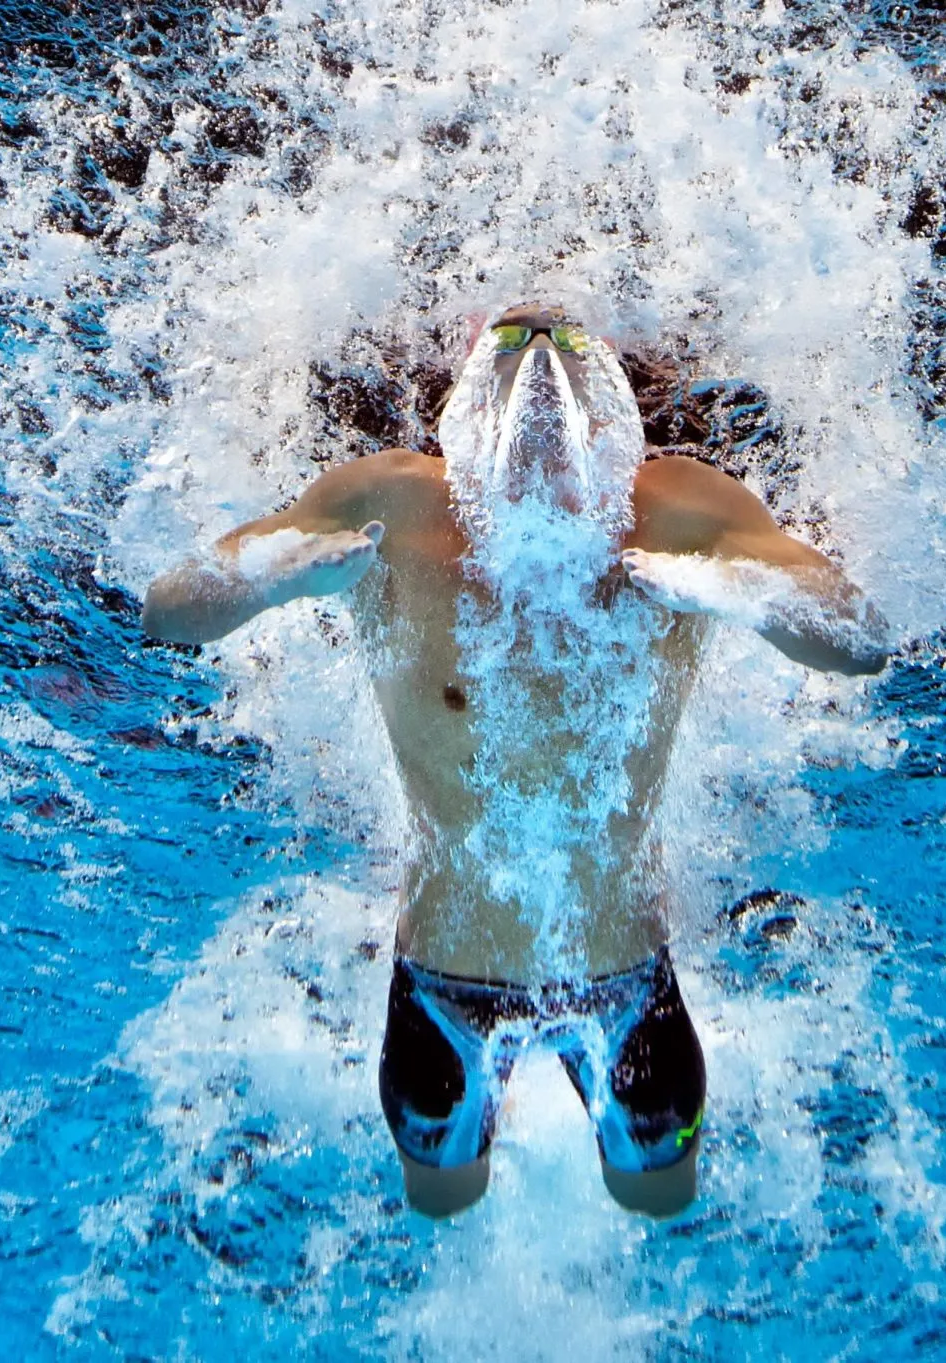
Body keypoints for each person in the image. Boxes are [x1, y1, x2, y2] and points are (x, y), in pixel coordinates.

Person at [142, 304, 890, 1219]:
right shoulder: (389, 504)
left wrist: (740, 589)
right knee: (443, 1205)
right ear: (465, 390)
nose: (540, 357)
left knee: (658, 1202)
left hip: (628, 983)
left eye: (567, 339)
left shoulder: (684, 511)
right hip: (443, 990)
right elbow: (169, 611)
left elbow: (859, 640)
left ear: (610, 390)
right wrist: (276, 576)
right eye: (512, 337)